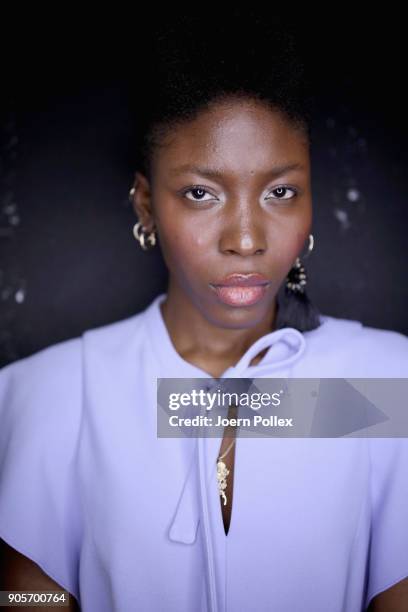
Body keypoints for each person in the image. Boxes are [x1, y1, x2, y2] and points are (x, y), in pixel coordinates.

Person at [1, 10, 408, 612]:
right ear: (145, 204)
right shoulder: (57, 394)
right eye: (201, 193)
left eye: (280, 192)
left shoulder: (379, 384)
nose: (245, 239)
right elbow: (23, 602)